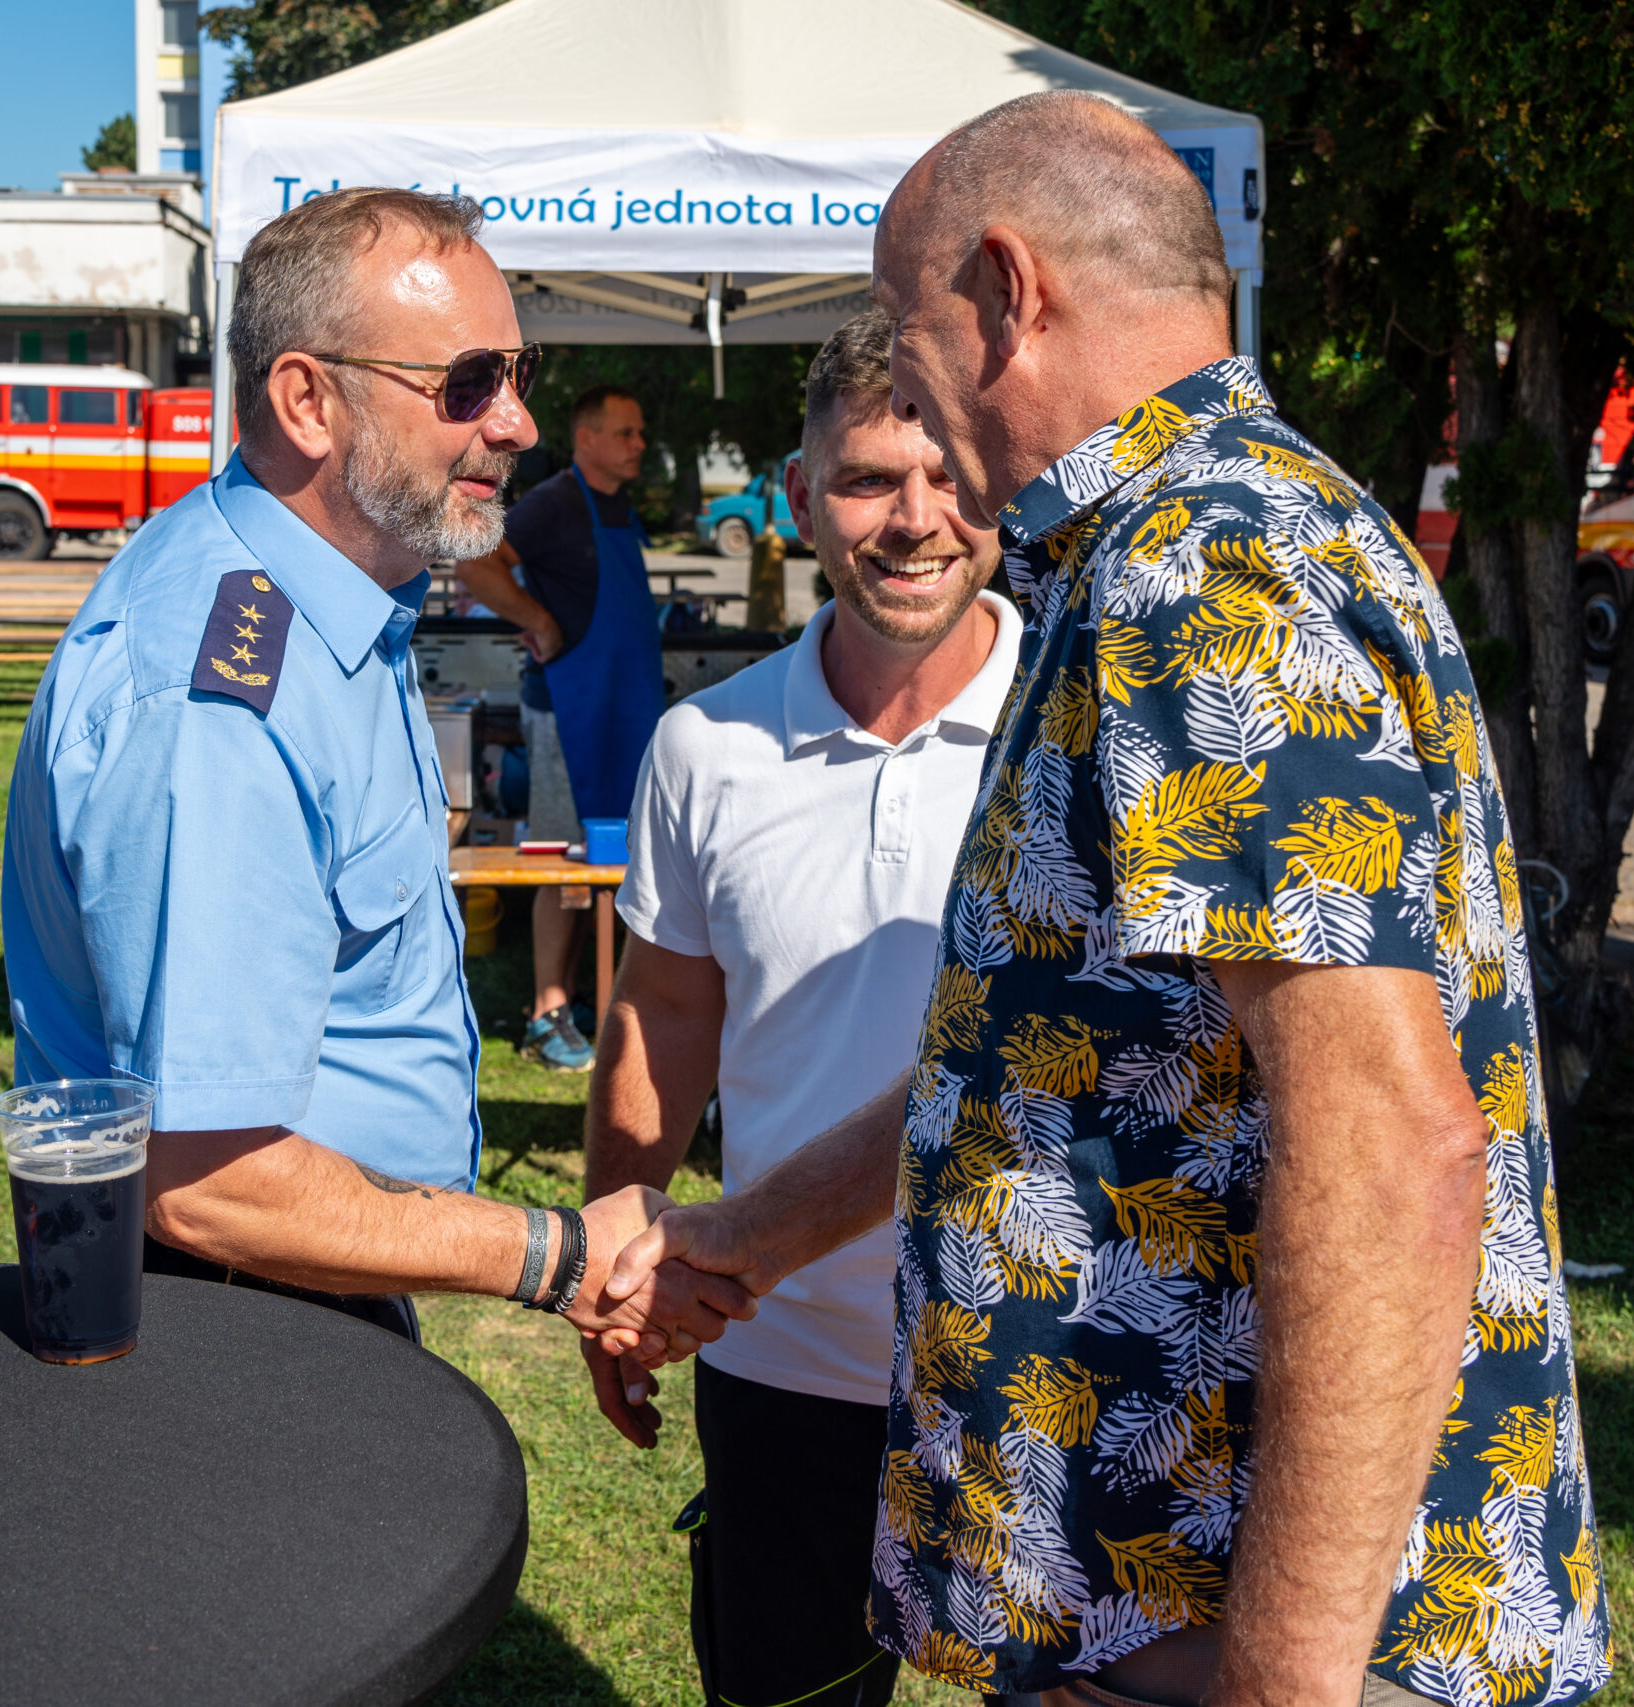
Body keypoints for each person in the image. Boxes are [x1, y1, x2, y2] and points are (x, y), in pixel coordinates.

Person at [601, 94, 1613, 1707]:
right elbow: (1052, 1066)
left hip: (1243, 1638)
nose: (913, 393)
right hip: (1157, 1614)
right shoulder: (1197, 534)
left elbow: (1389, 1145)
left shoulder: (1199, 568)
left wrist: (1274, 1685)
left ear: (1008, 292)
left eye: (909, 331)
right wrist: (739, 1233)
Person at [0, 186, 746, 1348]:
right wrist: (555, 1255)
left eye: (520, 373)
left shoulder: (327, 597)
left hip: (312, 1281)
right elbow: (208, 1178)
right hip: (245, 1316)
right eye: (468, 384)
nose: (517, 424)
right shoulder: (223, 704)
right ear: (308, 400)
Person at [583, 309, 1018, 1707]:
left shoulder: (1079, 729)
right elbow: (661, 1017)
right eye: (868, 479)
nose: (915, 519)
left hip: (1049, 1357)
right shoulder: (704, 744)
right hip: (782, 1355)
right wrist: (613, 1246)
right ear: (798, 496)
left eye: (949, 477)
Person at [455, 386, 665, 1073]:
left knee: (604, 857)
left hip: (620, 706)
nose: (639, 445)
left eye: (639, 433)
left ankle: (583, 998)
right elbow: (476, 564)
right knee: (561, 856)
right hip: (566, 708)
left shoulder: (616, 507)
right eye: (626, 433)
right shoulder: (554, 503)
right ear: (587, 439)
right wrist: (536, 620)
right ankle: (547, 1012)